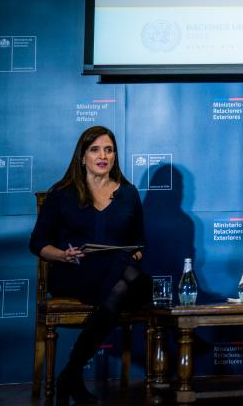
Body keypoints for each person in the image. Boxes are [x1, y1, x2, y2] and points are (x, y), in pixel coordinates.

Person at [29, 126, 151, 405]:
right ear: (82, 156)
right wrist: (63, 255)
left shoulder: (128, 193)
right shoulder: (61, 193)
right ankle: (71, 375)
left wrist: (133, 255)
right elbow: (37, 243)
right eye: (95, 149)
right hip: (74, 272)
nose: (103, 155)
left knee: (122, 271)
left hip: (115, 275)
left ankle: (69, 374)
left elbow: (140, 243)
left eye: (109, 149)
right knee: (132, 281)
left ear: (115, 156)